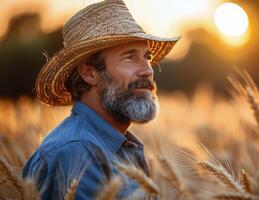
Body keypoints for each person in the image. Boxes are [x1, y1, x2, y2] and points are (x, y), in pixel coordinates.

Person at [22, 0, 180, 199]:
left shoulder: (117, 146)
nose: (148, 70)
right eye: (129, 57)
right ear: (90, 73)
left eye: (147, 57)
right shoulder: (75, 153)